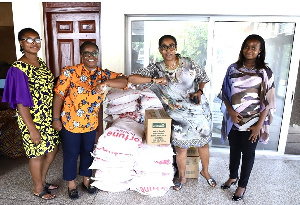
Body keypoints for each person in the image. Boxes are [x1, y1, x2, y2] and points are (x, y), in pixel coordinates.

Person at [128, 35, 216, 191]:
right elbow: (132, 78)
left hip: (199, 111)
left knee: (203, 143)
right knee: (181, 148)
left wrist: (200, 91)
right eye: (164, 47)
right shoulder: (155, 68)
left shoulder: (188, 63)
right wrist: (154, 80)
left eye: (171, 46)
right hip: (177, 115)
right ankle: (182, 177)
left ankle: (205, 171)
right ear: (160, 50)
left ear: (176, 47)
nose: (168, 50)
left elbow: (203, 77)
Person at [52, 41, 127, 200]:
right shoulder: (70, 72)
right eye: (87, 53)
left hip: (90, 123)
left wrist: (105, 83)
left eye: (94, 53)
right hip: (70, 122)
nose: (91, 56)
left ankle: (86, 181)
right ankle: (71, 184)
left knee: (88, 152)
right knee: (71, 154)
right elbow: (58, 96)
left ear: (97, 55)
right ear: (81, 55)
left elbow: (124, 81)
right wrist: (56, 118)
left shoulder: (102, 74)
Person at [2, 28, 60, 200]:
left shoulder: (40, 64)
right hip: (32, 119)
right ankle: (38, 188)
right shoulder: (18, 68)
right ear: (21, 43)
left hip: (46, 117)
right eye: (29, 39)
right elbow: (20, 102)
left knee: (52, 148)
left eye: (36, 39)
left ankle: (41, 180)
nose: (34, 43)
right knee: (37, 154)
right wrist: (32, 129)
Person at [219, 34, 276, 201]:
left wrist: (259, 125)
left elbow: (269, 100)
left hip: (253, 121)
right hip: (234, 119)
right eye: (247, 46)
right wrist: (230, 111)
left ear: (260, 51)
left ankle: (242, 185)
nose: (249, 50)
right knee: (234, 150)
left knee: (248, 153)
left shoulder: (265, 71)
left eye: (254, 47)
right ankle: (233, 176)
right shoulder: (233, 68)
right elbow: (225, 93)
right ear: (242, 48)